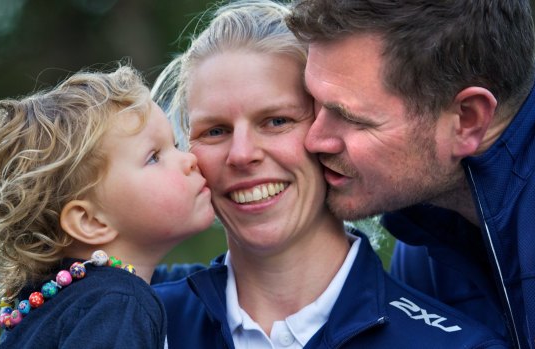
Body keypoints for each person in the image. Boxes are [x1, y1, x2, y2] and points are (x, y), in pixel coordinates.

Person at [150, 0, 509, 347]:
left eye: (277, 121)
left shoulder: (456, 344)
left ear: (330, 130)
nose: (242, 154)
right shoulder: (141, 324)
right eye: (214, 131)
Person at [286, 0, 535, 348]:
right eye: (314, 103)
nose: (314, 139)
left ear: (467, 119)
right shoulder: (425, 250)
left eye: (350, 118)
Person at [0, 64, 215, 348]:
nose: (189, 159)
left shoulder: (47, 302)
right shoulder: (119, 305)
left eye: (176, 144)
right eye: (154, 156)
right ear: (90, 221)